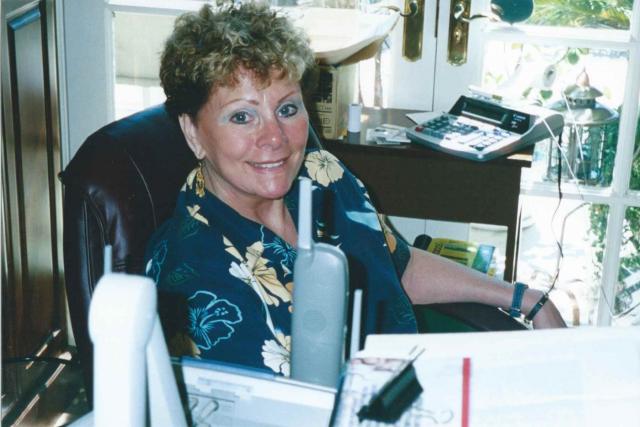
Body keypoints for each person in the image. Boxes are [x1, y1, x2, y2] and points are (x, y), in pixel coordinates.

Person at [145, 1, 566, 376]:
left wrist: (525, 299)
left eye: (287, 109)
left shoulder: (319, 172)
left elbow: (395, 262)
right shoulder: (196, 273)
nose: (275, 138)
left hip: (402, 383)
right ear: (193, 132)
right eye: (242, 117)